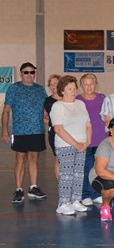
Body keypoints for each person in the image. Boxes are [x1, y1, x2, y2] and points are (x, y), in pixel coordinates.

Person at [2, 62, 48, 204]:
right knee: (20, 159)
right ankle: (19, 189)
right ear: (21, 74)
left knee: (34, 158)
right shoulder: (13, 88)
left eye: (32, 72)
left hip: (37, 130)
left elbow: (46, 110)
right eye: (26, 72)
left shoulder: (40, 90)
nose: (29, 75)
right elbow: (6, 111)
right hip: (20, 131)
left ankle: (33, 187)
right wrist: (4, 130)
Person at [50, 75, 92, 215]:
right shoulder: (57, 106)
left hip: (82, 145)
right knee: (66, 175)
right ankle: (63, 203)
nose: (73, 91)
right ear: (62, 91)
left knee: (78, 174)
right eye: (69, 89)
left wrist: (87, 142)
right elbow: (59, 129)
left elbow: (88, 124)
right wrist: (76, 144)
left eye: (74, 88)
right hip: (65, 146)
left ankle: (75, 200)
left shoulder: (81, 104)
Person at [77, 73, 107, 206]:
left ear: (96, 84)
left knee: (98, 169)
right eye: (86, 84)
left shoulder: (102, 98)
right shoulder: (77, 100)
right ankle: (85, 195)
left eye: (91, 84)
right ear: (81, 85)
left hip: (101, 140)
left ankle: (96, 193)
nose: (89, 87)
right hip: (86, 141)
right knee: (86, 169)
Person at [44, 74, 61, 179]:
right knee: (58, 158)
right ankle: (61, 185)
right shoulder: (47, 101)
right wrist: (53, 124)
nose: (54, 85)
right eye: (51, 84)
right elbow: (43, 117)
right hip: (54, 134)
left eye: (56, 83)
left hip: (70, 133)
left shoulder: (68, 98)